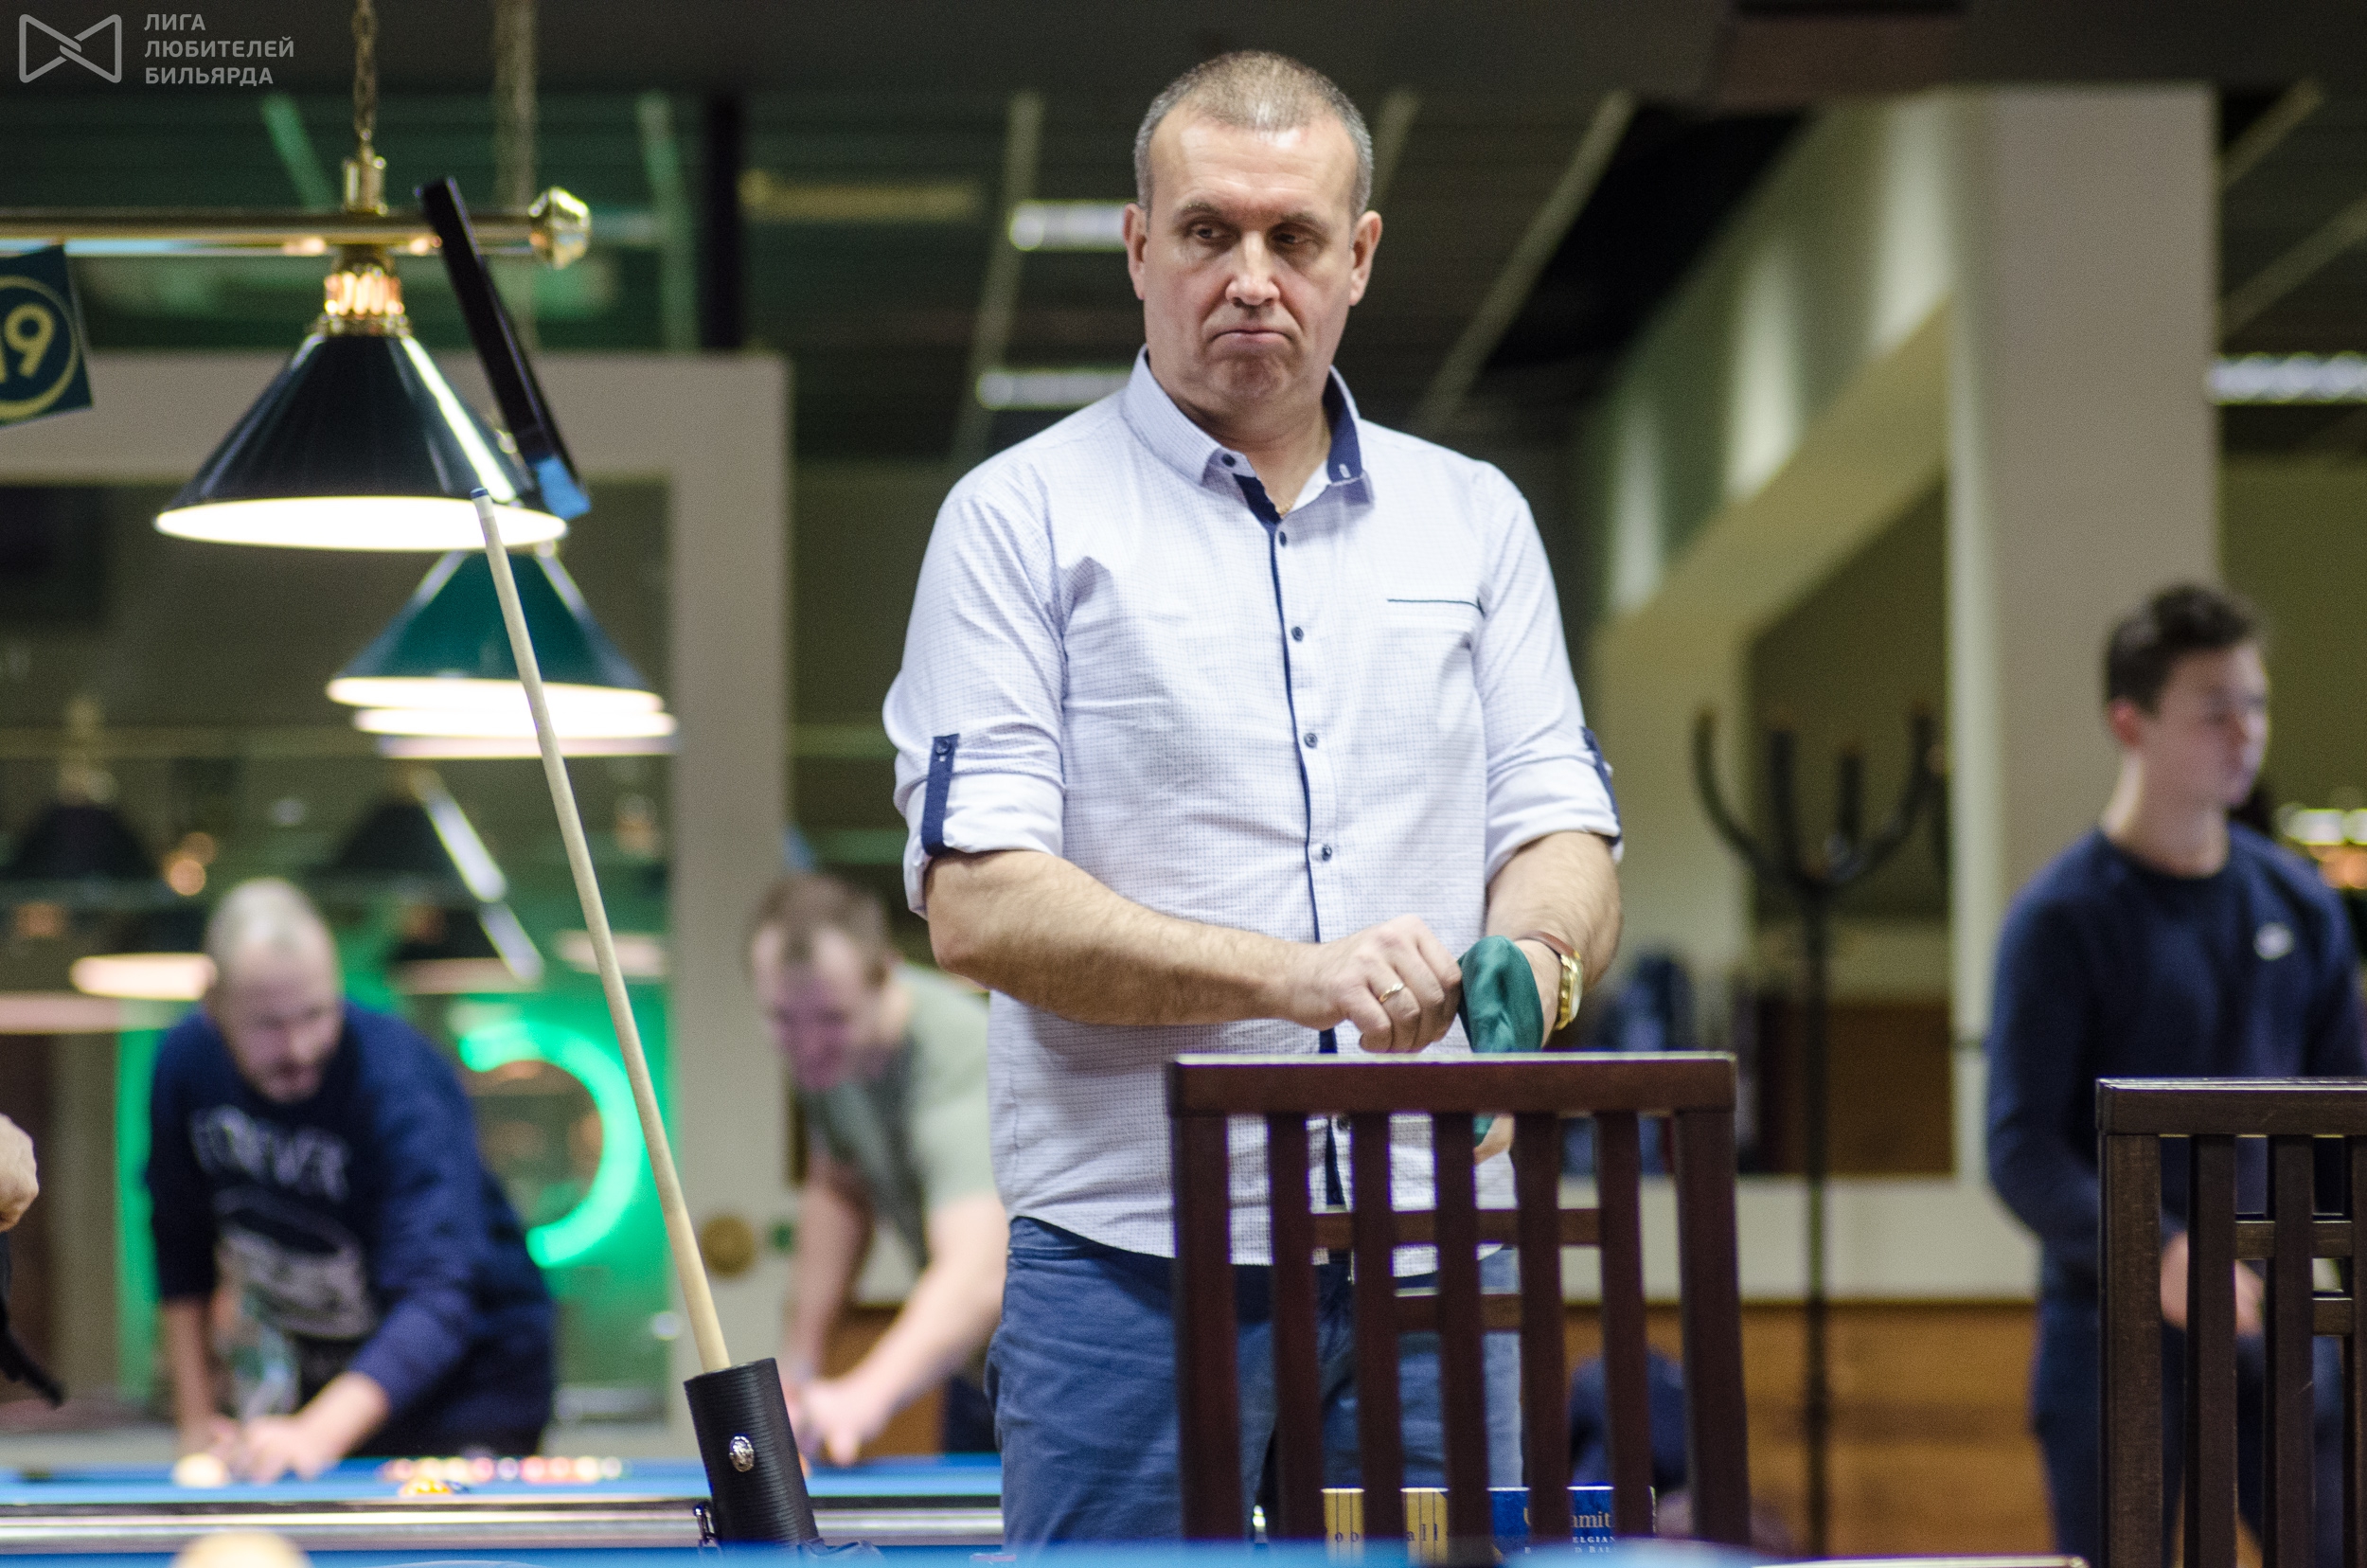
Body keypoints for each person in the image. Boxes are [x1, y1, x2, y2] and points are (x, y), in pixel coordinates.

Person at [884, 51, 1621, 1541]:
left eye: (1294, 237)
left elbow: (1560, 825)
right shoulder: (1018, 519)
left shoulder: (1476, 519)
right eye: (1208, 231)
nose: (1251, 277)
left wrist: (1534, 969)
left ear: (1359, 257)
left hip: (1437, 1248)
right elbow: (978, 905)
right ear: (1137, 247)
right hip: (1129, 1272)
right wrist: (1302, 979)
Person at [1986, 585, 2365, 1568]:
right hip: (2110, 1326)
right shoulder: (2060, 920)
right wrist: (2159, 1252)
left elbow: (2342, 1130)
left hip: (2278, 1317)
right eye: (2213, 710)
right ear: (2131, 722)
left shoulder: (2301, 905)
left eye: (2256, 705)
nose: (2246, 733)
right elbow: (2021, 1148)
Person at [148, 879, 554, 1480]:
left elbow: (439, 1294)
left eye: (316, 1014)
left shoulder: (400, 1079)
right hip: (337, 1384)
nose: (298, 1048)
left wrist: (315, 1433)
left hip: (476, 1386)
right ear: (215, 1005)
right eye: (268, 1024)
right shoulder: (184, 1066)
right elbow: (179, 1250)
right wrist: (196, 1425)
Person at [748, 872, 1004, 1464]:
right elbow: (839, 1190)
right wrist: (798, 1372)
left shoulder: (958, 1055)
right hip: (975, 1367)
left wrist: (864, 1395)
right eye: (783, 1019)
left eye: (832, 1019)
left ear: (885, 975)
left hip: (1065, 1372)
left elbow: (981, 1274)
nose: (808, 1046)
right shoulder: (830, 1061)